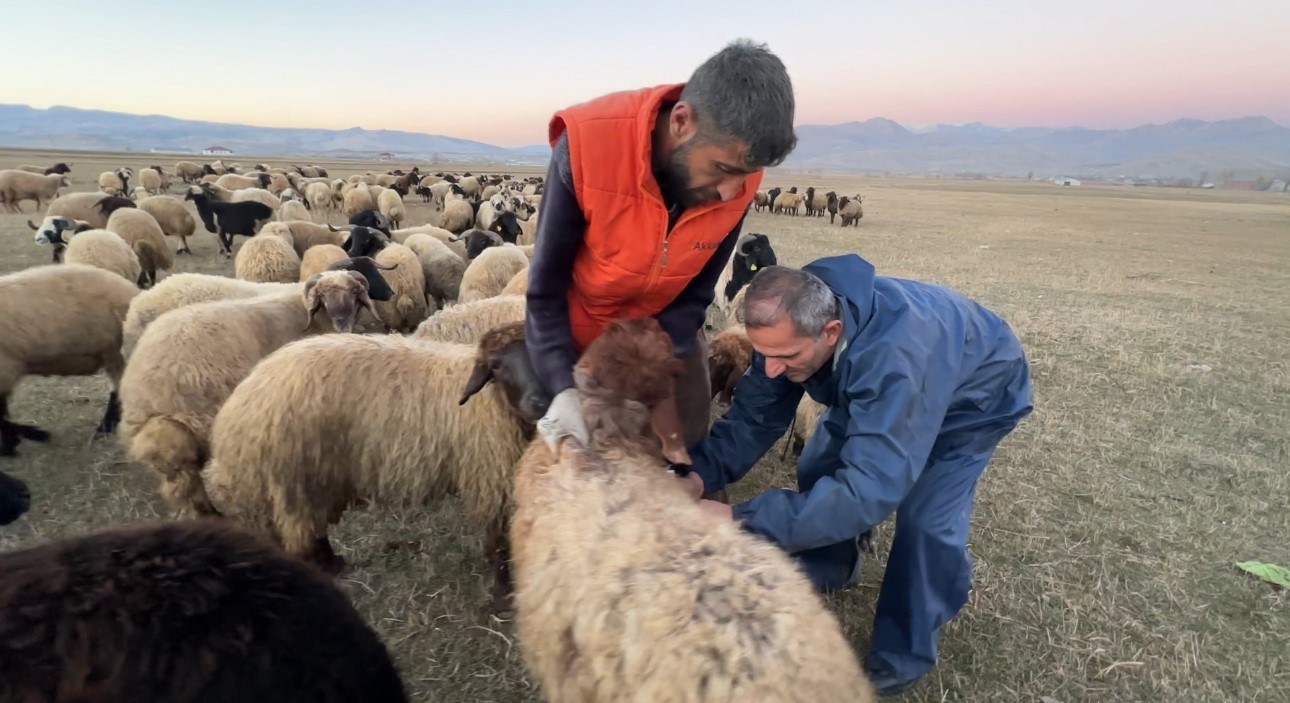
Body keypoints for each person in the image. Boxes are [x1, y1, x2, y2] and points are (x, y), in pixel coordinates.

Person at [676, 255, 1034, 696]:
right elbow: (754, 416)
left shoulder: (893, 357)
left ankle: (904, 652)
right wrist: (697, 476)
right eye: (763, 355)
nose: (770, 369)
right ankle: (832, 564)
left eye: (784, 357)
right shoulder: (794, 324)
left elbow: (867, 492)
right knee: (819, 462)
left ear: (831, 333)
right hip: (874, 383)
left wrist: (739, 521)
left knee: (926, 521)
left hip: (971, 401)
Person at [524, 39, 797, 467]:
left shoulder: (740, 177)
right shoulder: (587, 147)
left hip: (668, 333)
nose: (731, 192)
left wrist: (652, 366)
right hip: (578, 332)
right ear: (682, 122)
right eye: (723, 170)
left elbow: (696, 294)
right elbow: (544, 292)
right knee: (575, 465)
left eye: (744, 176)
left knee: (680, 453)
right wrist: (563, 387)